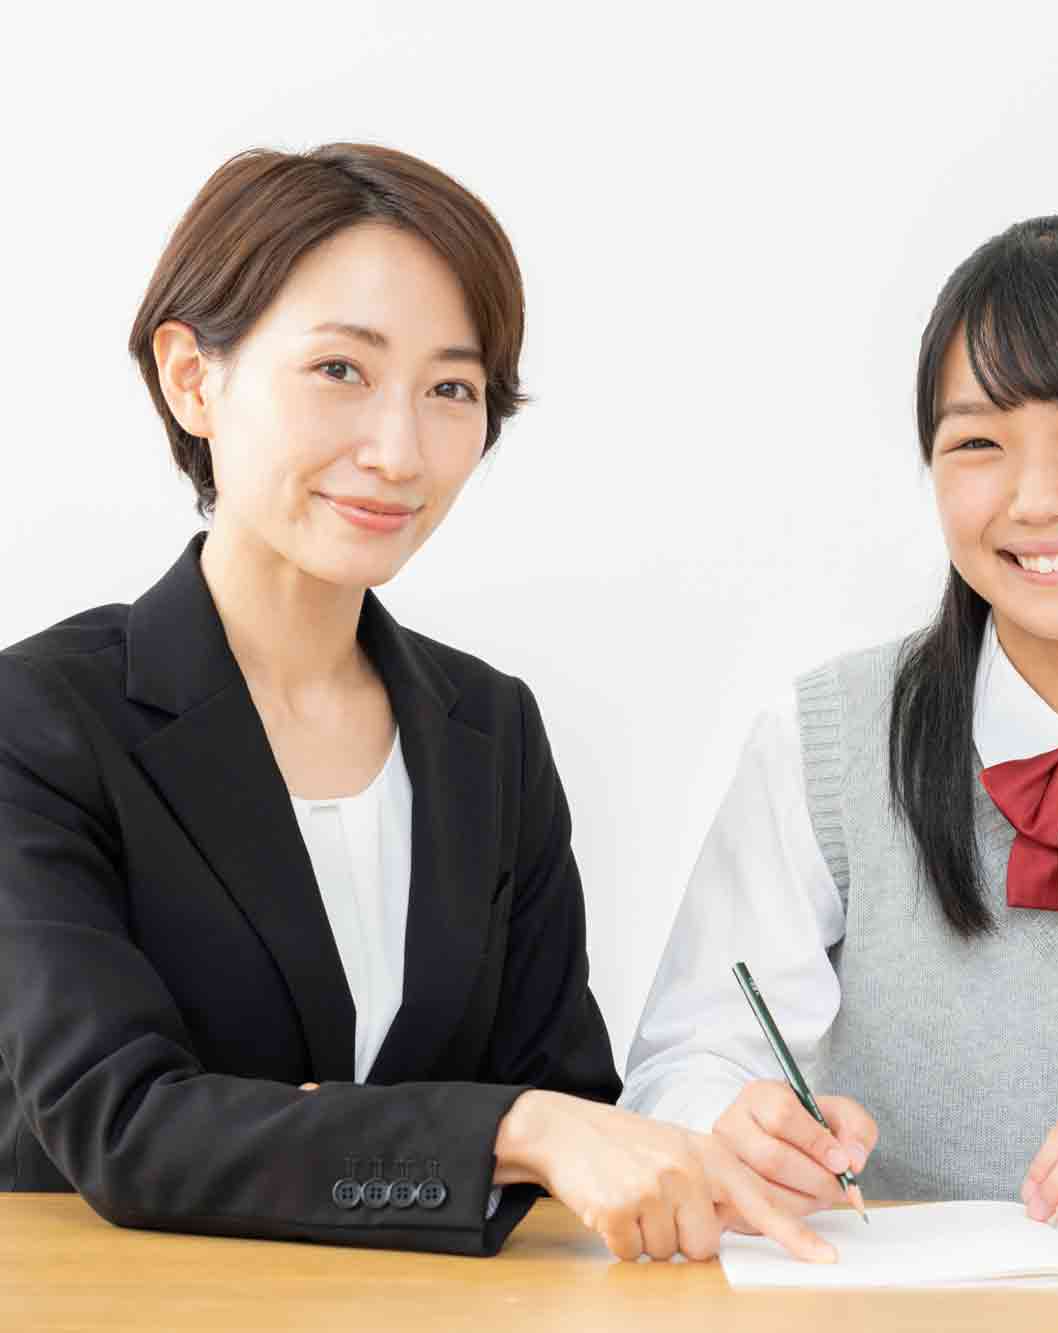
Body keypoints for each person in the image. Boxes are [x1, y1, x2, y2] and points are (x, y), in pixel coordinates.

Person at [0, 143, 830, 1264]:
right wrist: (507, 1130)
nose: (398, 452)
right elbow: (125, 1127)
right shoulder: (42, 719)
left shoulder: (488, 732)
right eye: (340, 369)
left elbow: (567, 1106)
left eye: (450, 389)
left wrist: (701, 1142)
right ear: (193, 378)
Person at [621, 213, 1058, 1227]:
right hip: (895, 1298)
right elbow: (682, 1068)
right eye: (979, 443)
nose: (1036, 498)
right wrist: (729, 1124)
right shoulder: (825, 742)